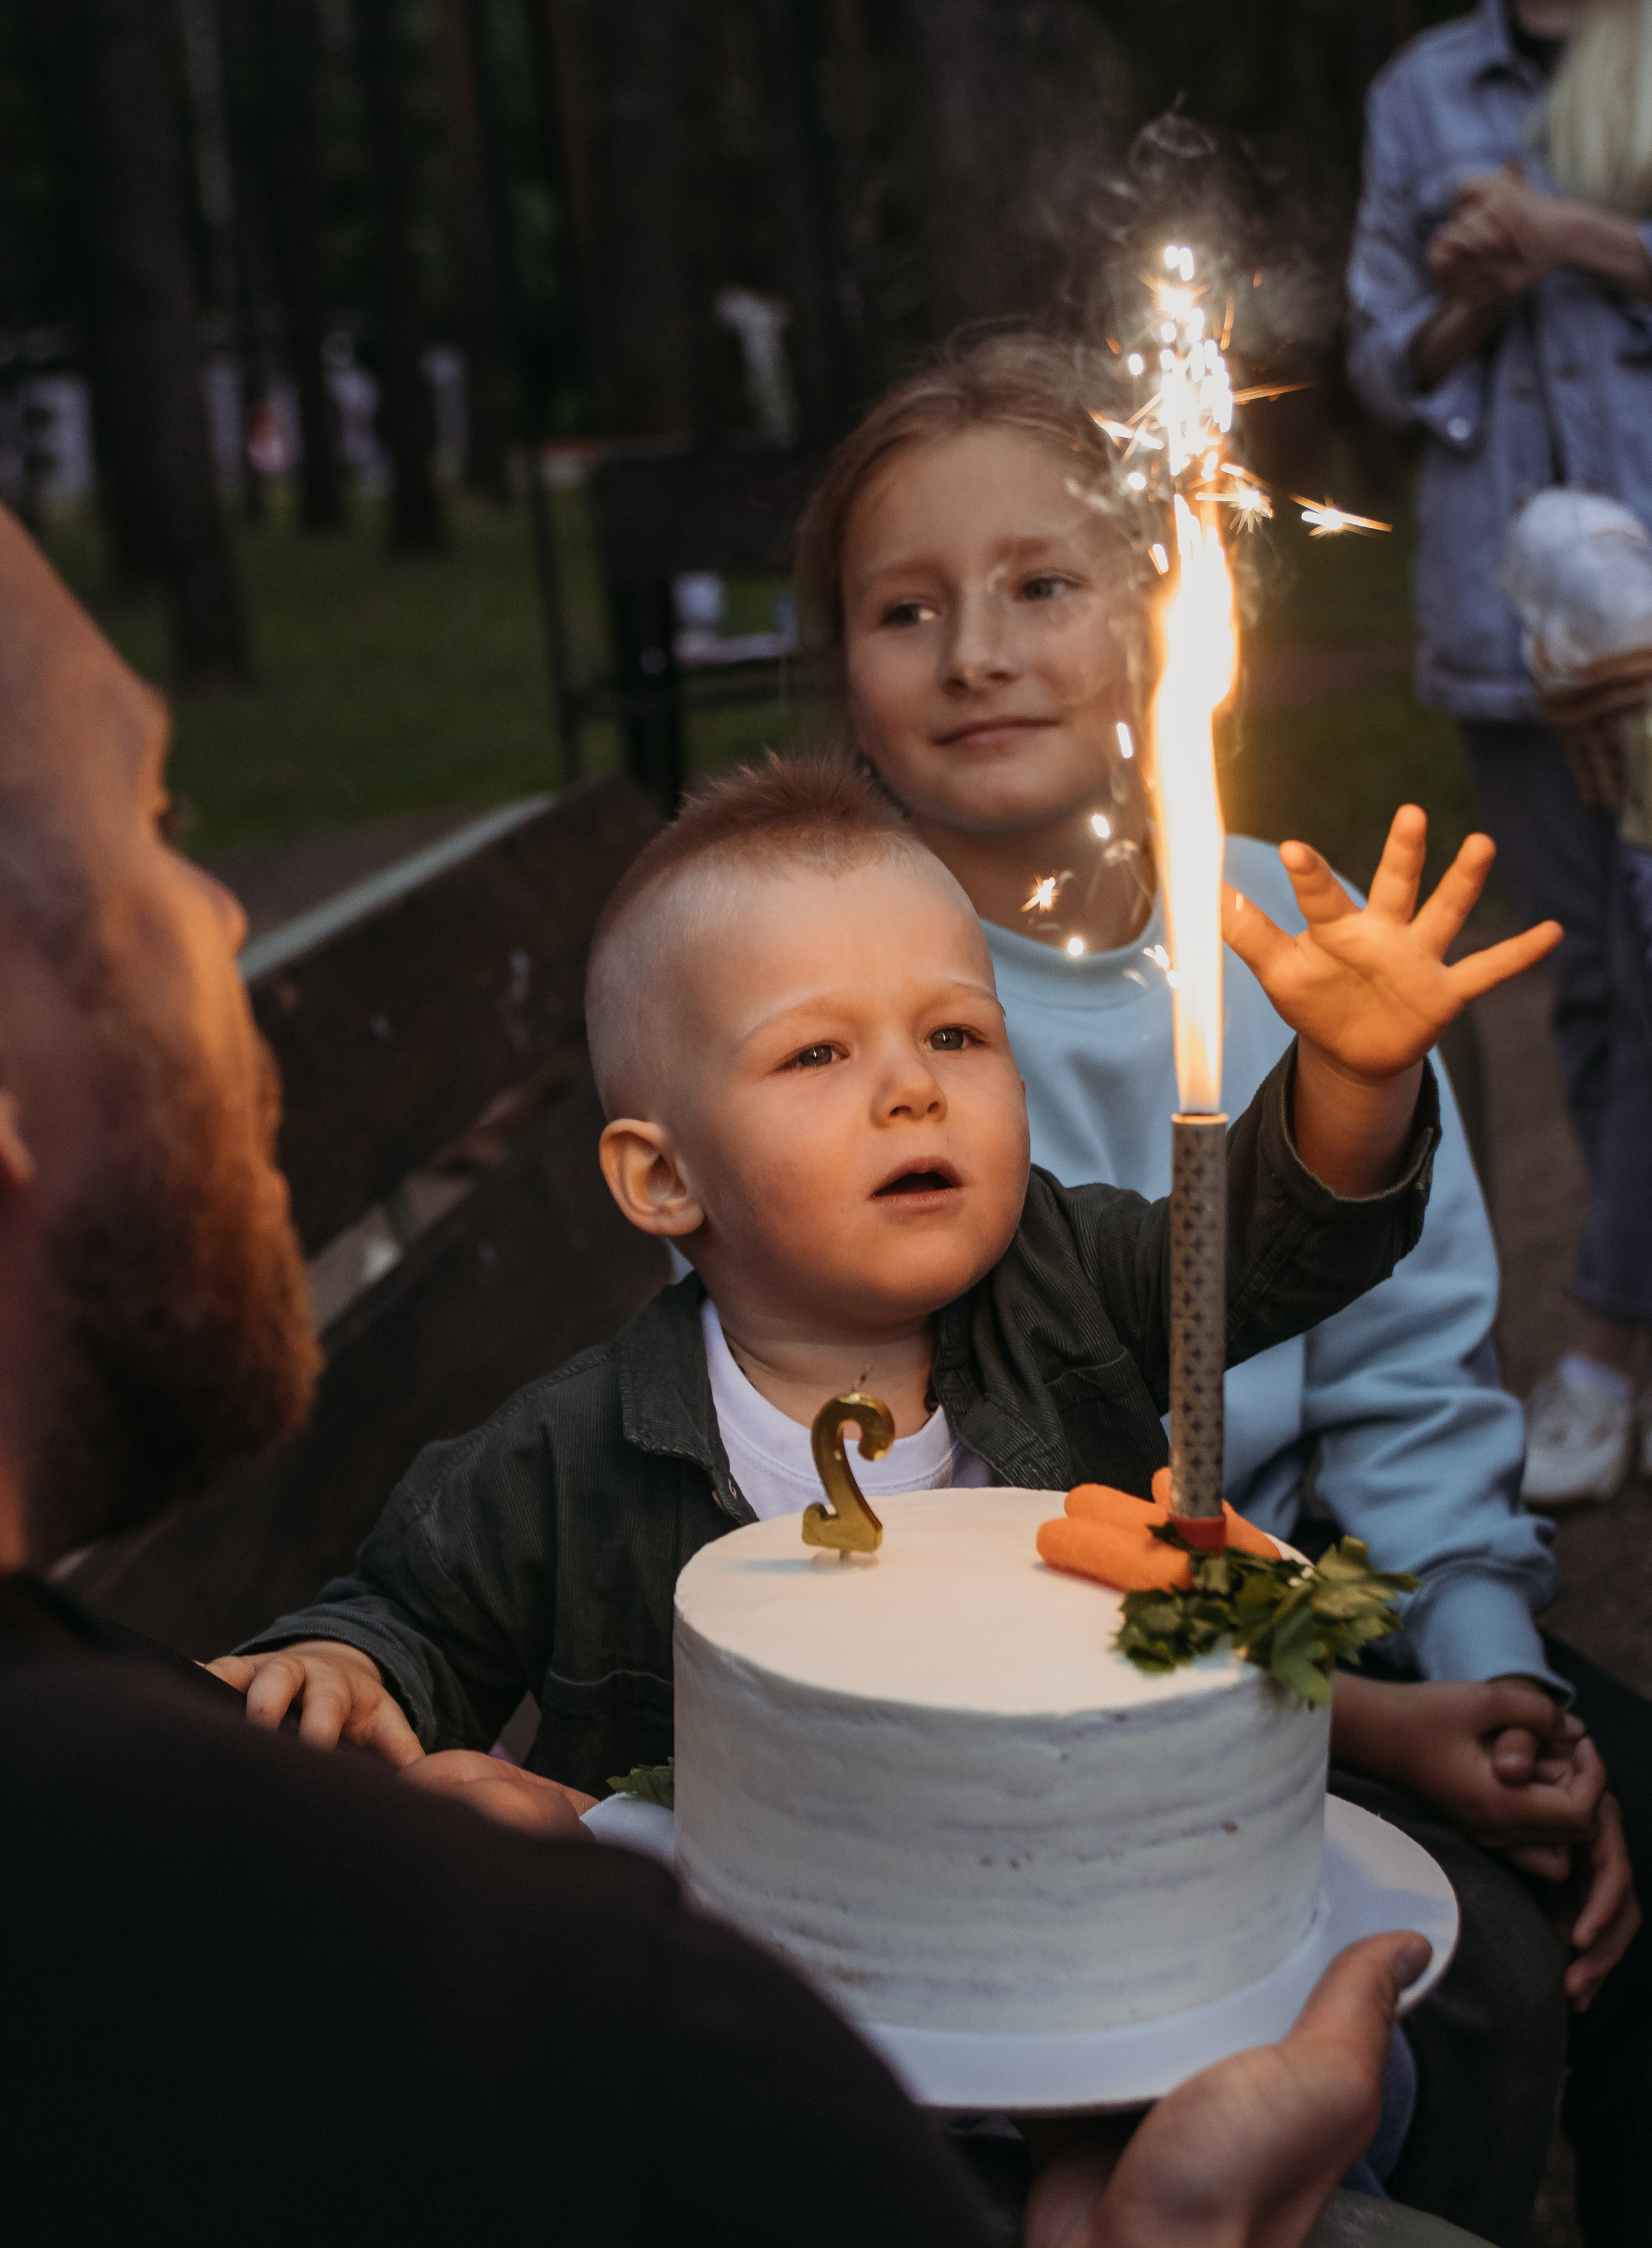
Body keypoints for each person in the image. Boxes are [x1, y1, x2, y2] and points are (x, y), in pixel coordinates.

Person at [0, 503, 1446, 2248]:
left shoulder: (1074, 1274)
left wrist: (1352, 1081)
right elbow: (416, 1615)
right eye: (821, 1053)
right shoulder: (563, 1454)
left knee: (1376, 2080)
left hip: (1110, 1998)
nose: (913, 1090)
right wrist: (340, 1665)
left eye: (957, 1034)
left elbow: (1277, 1247)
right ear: (661, 1179)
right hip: (804, 2045)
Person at [786, 325, 1648, 2247]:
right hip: (1065, 1643)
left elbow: (1413, 1372)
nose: (977, 650)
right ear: (843, 670)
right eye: (905, 608)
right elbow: (977, 1519)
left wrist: (1485, 1647)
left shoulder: (1291, 937)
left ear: (1162, 617)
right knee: (1480, 1972)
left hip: (1337, 1572)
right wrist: (1359, 1707)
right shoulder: (845, 1003)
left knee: (1613, 1787)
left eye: (1040, 586)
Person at [1348, 0, 1652, 1505]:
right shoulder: (1421, 90)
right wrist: (1472, 288)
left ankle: (1601, 1346)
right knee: (1591, 986)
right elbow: (1382, 370)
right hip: (1509, 627)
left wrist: (1568, 234)